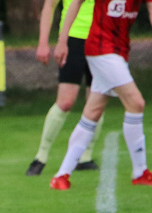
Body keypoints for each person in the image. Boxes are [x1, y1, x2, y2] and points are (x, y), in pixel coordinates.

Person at [50, 0, 152, 189]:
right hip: (101, 49)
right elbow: (75, 3)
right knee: (136, 103)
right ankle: (140, 172)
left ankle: (61, 175)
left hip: (119, 51)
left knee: (93, 112)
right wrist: (63, 41)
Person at [26, 0, 103, 176]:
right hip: (73, 39)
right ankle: (41, 156)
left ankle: (85, 157)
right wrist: (43, 42)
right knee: (65, 102)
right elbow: (49, 7)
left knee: (96, 101)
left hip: (100, 39)